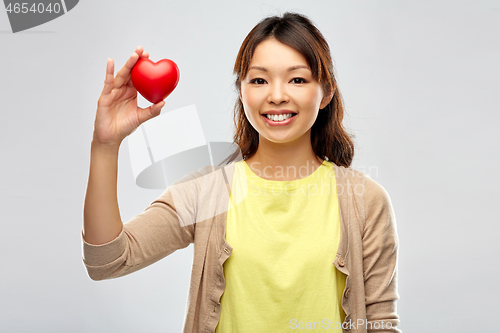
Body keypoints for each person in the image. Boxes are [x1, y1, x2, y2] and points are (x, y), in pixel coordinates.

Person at [82, 12, 401, 333]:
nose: (277, 95)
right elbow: (107, 261)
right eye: (259, 80)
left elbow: (380, 323)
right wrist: (105, 145)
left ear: (326, 93)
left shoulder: (365, 201)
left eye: (297, 79)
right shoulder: (207, 191)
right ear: (242, 91)